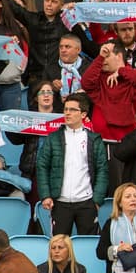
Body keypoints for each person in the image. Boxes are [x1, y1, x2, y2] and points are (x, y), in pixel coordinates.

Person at [36, 92, 109, 237]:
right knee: (59, 244)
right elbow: (42, 166)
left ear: (83, 114)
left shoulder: (94, 139)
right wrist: (45, 195)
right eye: (65, 109)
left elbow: (102, 170)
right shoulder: (53, 138)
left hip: (87, 202)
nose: (67, 113)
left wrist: (97, 200)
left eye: (72, 110)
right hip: (60, 202)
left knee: (88, 244)